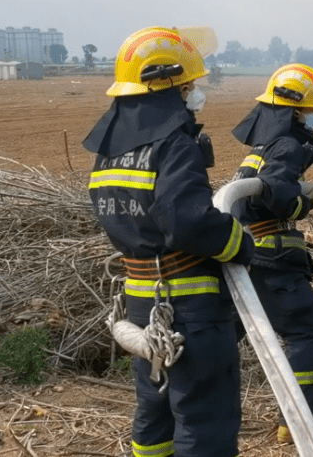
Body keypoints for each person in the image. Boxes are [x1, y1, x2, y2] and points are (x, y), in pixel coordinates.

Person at [83, 27, 253, 457]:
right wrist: (239, 241)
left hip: (142, 304)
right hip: (189, 310)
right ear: (166, 86)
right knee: (204, 422)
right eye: (188, 86)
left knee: (154, 416)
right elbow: (188, 222)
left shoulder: (111, 152)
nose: (194, 95)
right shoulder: (174, 145)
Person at [230, 63, 313, 444]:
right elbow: (278, 196)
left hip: (249, 255)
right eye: (311, 109)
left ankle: (196, 408)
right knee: (311, 330)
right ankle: (298, 421)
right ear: (295, 111)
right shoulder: (289, 144)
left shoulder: (264, 145)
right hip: (271, 257)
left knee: (227, 334)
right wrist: (303, 205)